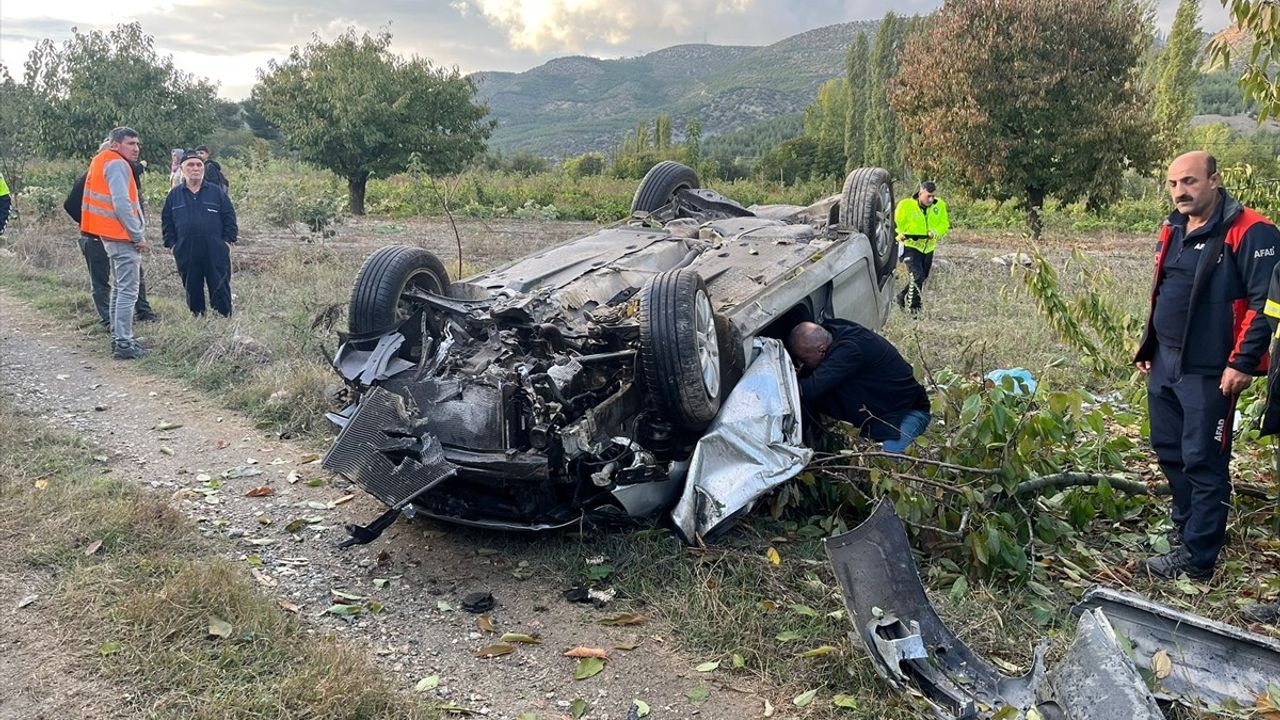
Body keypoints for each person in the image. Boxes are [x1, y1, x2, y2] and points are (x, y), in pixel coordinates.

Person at [1134, 151, 1280, 580]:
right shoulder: (1172, 226)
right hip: (1166, 361)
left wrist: (1242, 362)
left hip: (1213, 370)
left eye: (1190, 182)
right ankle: (1188, 529)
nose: (1180, 191)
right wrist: (1150, 345)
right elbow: (1165, 288)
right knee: (1170, 450)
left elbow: (1267, 304)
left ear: (1214, 180)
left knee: (1203, 459)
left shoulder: (1253, 230)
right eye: (1174, 183)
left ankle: (1199, 559)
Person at [787, 320, 931, 452]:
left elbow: (809, 389)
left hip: (907, 413)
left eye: (803, 359)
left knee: (891, 460)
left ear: (821, 349)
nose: (801, 364)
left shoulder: (850, 350)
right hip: (882, 411)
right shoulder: (833, 333)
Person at [65, 143, 156, 326]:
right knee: (103, 280)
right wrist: (91, 223)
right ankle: (111, 322)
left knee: (130, 278)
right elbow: (71, 205)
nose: (135, 150)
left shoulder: (123, 173)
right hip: (96, 236)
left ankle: (139, 314)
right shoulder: (94, 176)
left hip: (117, 235)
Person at [81, 127, 148, 360]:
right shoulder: (118, 164)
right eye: (131, 143)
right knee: (128, 291)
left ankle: (120, 337)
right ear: (115, 145)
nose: (136, 148)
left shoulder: (100, 161)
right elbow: (121, 204)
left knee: (120, 289)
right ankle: (123, 343)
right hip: (120, 235)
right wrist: (137, 235)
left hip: (108, 234)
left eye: (137, 144)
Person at [162, 149, 238, 316]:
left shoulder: (216, 192)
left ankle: (223, 319)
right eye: (190, 165)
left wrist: (227, 241)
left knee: (220, 286)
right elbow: (167, 222)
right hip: (186, 250)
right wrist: (173, 245)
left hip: (215, 249)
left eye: (199, 165)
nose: (195, 168)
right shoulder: (174, 195)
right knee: (192, 287)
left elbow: (229, 217)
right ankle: (198, 319)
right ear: (182, 168)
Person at [894, 181, 950, 313]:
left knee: (922, 277)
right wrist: (899, 235)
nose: (931, 199)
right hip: (910, 246)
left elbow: (944, 224)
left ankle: (902, 295)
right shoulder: (905, 205)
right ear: (920, 193)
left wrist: (934, 232)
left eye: (933, 196)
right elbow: (895, 223)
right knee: (916, 276)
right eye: (928, 196)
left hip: (928, 247)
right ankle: (915, 310)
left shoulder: (939, 205)